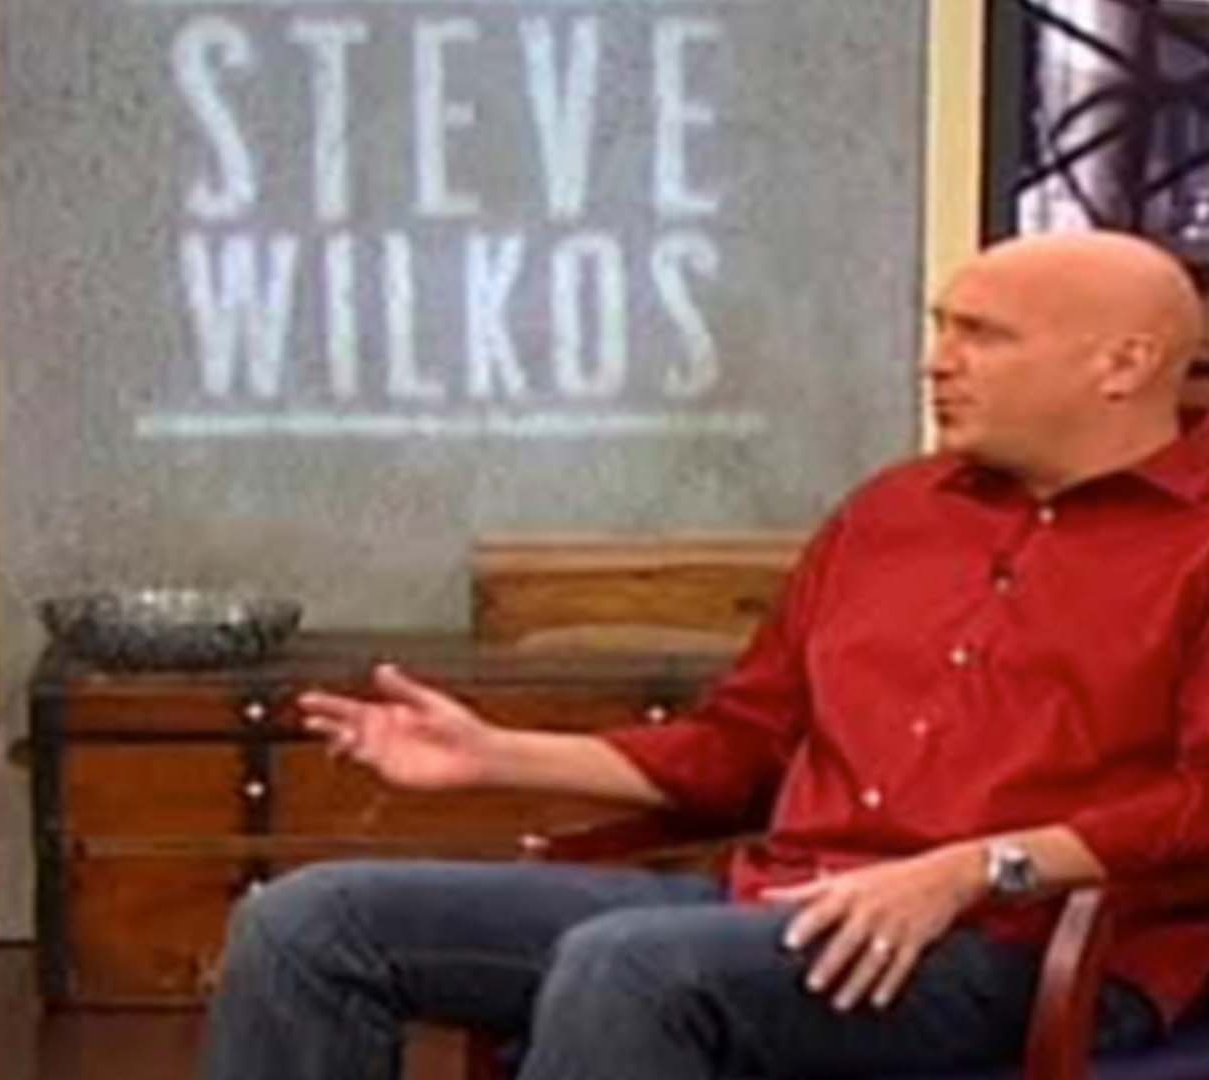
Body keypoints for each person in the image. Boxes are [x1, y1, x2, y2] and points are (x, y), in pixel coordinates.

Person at [201, 230, 1209, 1080]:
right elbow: (743, 744)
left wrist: (972, 870)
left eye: (982, 335)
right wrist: (496, 754)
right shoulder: (894, 513)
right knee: (310, 923)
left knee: (633, 968)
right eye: (941, 327)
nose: (938, 361)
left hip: (1016, 944)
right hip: (776, 905)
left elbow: (1196, 805)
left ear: (1123, 364)